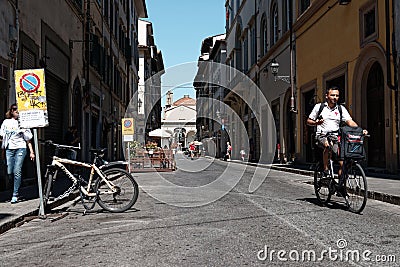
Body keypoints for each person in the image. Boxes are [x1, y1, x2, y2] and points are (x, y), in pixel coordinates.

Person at [307, 87, 367, 190]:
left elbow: (349, 121)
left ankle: (340, 187)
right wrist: (317, 123)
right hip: (322, 135)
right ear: (327, 96)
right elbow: (308, 121)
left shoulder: (341, 109)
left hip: (336, 137)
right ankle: (325, 170)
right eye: (332, 95)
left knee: (343, 163)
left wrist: (359, 130)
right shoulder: (319, 107)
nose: (335, 97)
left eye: (337, 95)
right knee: (327, 145)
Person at [0, 104, 35, 203]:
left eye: (18, 109)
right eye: (14, 109)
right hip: (9, 149)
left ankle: (15, 194)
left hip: (21, 148)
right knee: (10, 172)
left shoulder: (24, 123)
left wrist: (31, 152)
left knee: (17, 170)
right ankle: (16, 187)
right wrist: (3, 151)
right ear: (11, 111)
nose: (16, 111)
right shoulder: (6, 122)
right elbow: (3, 138)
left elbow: (28, 139)